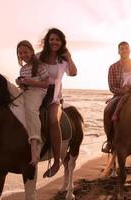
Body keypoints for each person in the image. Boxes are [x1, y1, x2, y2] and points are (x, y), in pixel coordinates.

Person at [38, 28, 77, 178]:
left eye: (57, 40)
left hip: (54, 98)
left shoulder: (63, 60)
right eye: (52, 39)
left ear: (61, 43)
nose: (54, 42)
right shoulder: (39, 57)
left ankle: (55, 163)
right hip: (37, 94)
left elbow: (73, 73)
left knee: (53, 121)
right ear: (47, 41)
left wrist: (69, 57)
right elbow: (28, 69)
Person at [15, 40, 49, 166]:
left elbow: (46, 84)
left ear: (31, 51)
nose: (23, 55)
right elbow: (25, 86)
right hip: (27, 91)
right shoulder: (23, 69)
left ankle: (35, 145)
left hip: (38, 92)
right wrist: (21, 83)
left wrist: (30, 82)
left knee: (31, 109)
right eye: (20, 53)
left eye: (25, 52)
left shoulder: (39, 66)